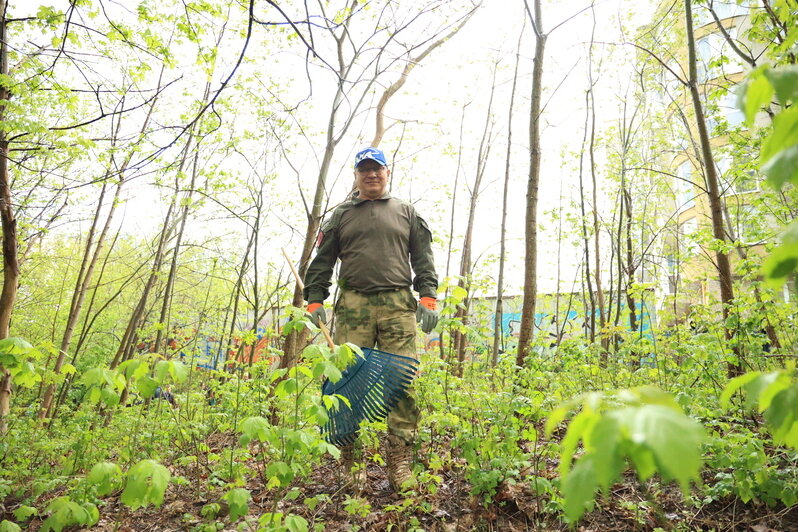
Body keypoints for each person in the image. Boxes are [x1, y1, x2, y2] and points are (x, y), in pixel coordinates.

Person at [303, 147, 439, 491]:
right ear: (356, 175)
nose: (371, 175)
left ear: (386, 172)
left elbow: (423, 258)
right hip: (353, 305)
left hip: (397, 304)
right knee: (348, 382)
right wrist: (314, 298)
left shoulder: (406, 212)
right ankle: (350, 463)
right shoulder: (342, 215)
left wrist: (427, 297)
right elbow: (323, 259)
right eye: (364, 169)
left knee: (403, 379)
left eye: (376, 169)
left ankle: (400, 462)